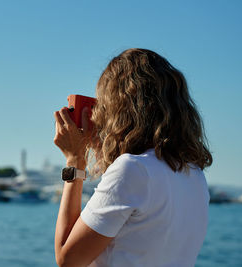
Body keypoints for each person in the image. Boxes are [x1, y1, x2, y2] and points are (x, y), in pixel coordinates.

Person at [53, 48, 212, 267]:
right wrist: (102, 148)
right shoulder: (194, 175)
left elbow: (68, 259)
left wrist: (75, 161)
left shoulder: (132, 169)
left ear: (119, 109)